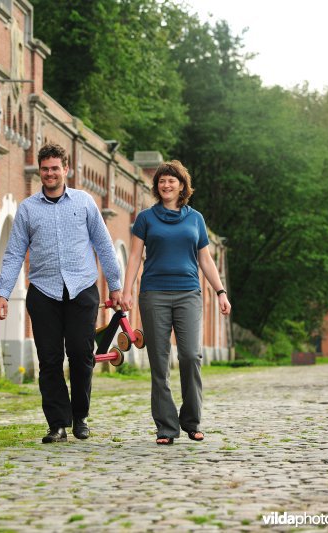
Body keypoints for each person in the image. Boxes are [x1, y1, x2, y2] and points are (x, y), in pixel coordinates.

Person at [0, 143, 123, 443]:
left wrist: (115, 285)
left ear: (66, 169)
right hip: (43, 292)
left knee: (81, 353)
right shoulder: (27, 209)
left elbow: (104, 245)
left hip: (82, 289)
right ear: (40, 171)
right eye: (45, 168)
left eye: (55, 168)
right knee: (49, 359)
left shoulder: (84, 202)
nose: (50, 173)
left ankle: (80, 416)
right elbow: (14, 254)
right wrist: (2, 293)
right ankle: (57, 423)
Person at [121, 160, 231, 445]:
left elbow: (205, 259)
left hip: (188, 294)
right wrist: (127, 291)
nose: (166, 185)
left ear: (182, 185)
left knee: (190, 356)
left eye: (171, 180)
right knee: (159, 361)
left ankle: (191, 421)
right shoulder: (146, 218)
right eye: (161, 181)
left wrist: (220, 292)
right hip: (154, 294)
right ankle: (166, 428)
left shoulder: (196, 219)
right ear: (157, 187)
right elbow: (134, 257)